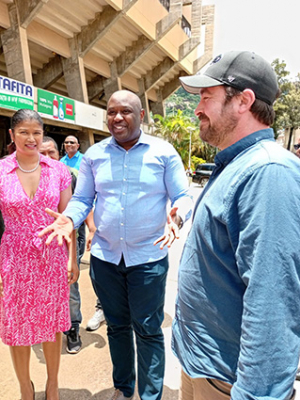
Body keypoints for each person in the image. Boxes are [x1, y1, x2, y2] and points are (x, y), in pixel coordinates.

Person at [38, 89, 192, 400]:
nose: (117, 117)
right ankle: (124, 388)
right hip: (106, 258)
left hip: (148, 257)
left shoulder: (163, 153)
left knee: (148, 329)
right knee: (118, 328)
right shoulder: (94, 155)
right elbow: (82, 199)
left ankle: (150, 395)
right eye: (111, 112)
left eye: (125, 111)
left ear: (141, 116)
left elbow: (183, 197)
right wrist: (70, 219)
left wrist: (177, 218)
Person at [171, 50, 300, 400]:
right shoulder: (236, 164)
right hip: (202, 364)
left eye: (206, 97)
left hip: (229, 381)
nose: (197, 108)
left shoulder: (268, 173)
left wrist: (258, 393)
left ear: (244, 101)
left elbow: (274, 298)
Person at [0, 109, 78, 400]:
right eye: (23, 132)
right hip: (13, 257)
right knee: (16, 325)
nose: (31, 138)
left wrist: (72, 258)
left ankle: (53, 384)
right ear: (12, 135)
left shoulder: (58, 171)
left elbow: (67, 218)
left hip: (52, 256)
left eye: (37, 132)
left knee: (52, 323)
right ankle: (25, 388)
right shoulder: (1, 170)